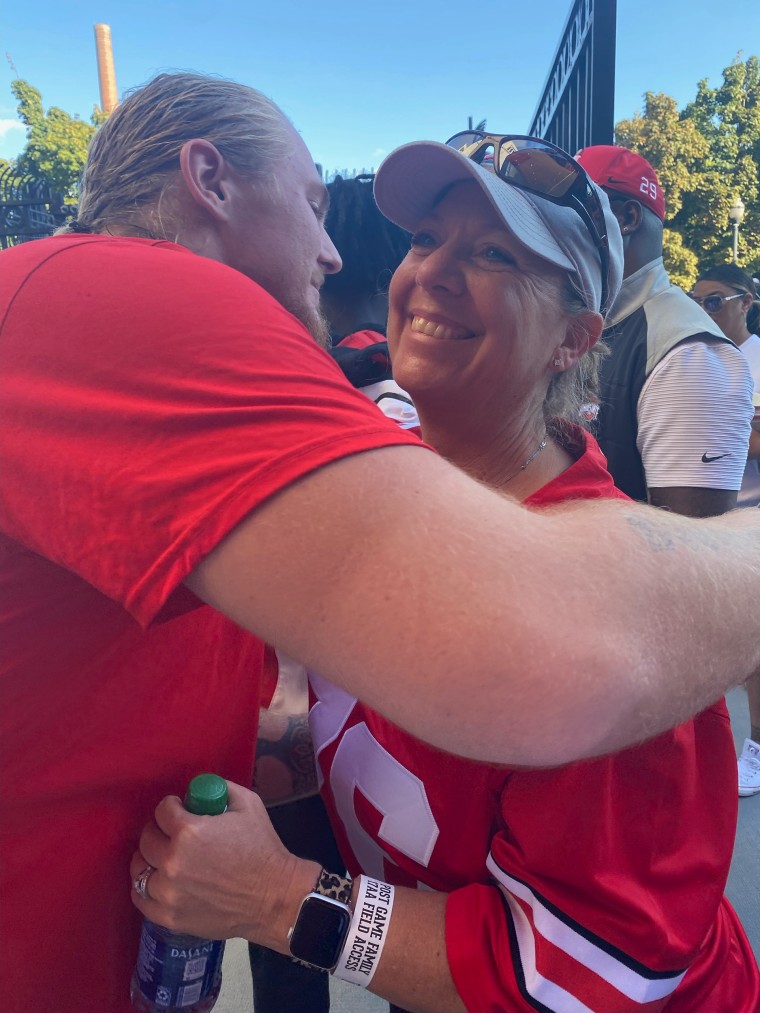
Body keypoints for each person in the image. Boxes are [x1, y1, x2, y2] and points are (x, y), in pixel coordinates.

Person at [2, 73, 760, 1013]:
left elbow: (591, 973)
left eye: (494, 253)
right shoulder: (379, 506)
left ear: (576, 338)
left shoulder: (620, 618)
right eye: (425, 239)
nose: (428, 272)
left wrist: (283, 899)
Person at [249, 171, 415, 1013]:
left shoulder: (283, 391)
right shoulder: (407, 402)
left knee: (287, 950)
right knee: (406, 947)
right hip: (383, 746)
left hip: (284, 731)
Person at [575, 144, 753, 515]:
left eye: (572, 210)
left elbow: (696, 550)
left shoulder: (689, 353)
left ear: (626, 218)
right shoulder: (593, 320)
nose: (551, 229)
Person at [692, 263, 760, 797]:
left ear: (745, 302)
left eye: (714, 301)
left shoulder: (755, 357)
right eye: (697, 300)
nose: (703, 311)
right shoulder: (705, 356)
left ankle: (755, 749)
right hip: (715, 513)